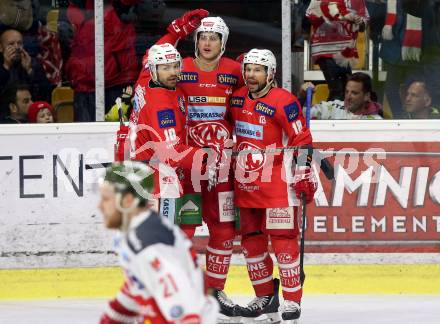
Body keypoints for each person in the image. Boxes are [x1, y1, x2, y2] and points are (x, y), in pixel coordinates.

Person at [138, 10, 245, 320]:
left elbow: (253, 106)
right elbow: (149, 66)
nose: (207, 42)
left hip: (221, 164)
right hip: (184, 166)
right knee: (182, 229)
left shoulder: (236, 71)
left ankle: (213, 292)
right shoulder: (177, 67)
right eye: (202, 36)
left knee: (223, 230)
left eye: (213, 37)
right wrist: (174, 31)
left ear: (223, 43)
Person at [229, 49, 317, 322]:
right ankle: (265, 297)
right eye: (248, 69)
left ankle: (292, 301)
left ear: (271, 73)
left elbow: (301, 137)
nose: (251, 75)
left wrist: (303, 169)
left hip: (278, 184)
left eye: (258, 69)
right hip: (245, 183)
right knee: (251, 244)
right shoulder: (237, 99)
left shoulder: (284, 101)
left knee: (283, 243)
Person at [98, 161, 218, 324]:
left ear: (127, 200)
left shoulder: (148, 243)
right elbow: (140, 283)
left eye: (106, 199)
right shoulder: (134, 231)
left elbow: (186, 313)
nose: (100, 206)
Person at [58, 0, 139, 121]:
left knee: (118, 134)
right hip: (83, 86)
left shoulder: (117, 6)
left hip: (115, 84)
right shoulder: (70, 9)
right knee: (85, 136)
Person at [306, 0, 369, 100]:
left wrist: (359, 21)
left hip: (346, 51)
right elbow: (312, 17)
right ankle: (331, 114)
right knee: (337, 90)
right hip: (325, 50)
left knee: (346, 91)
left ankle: (334, 114)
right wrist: (342, 16)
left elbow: (363, 25)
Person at [0, 28, 51, 101]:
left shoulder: (32, 62)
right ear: (1, 48)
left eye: (19, 43)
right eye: (11, 44)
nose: (17, 47)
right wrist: (6, 67)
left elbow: (45, 93)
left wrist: (30, 71)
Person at [306, 72, 383, 119]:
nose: (348, 97)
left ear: (366, 96)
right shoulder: (333, 107)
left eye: (354, 93)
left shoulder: (376, 122)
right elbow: (303, 115)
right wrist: (302, 96)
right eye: (346, 92)